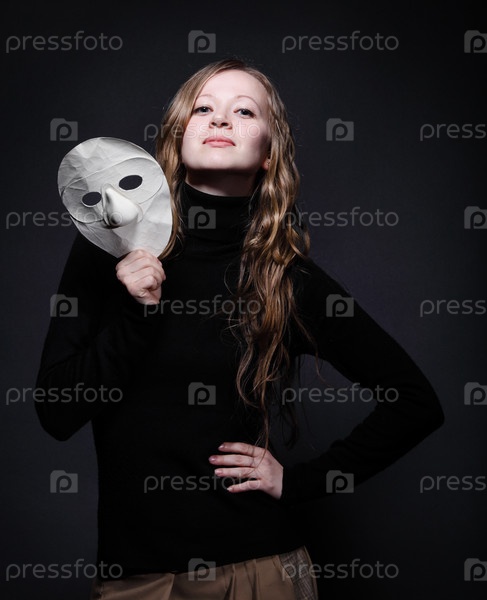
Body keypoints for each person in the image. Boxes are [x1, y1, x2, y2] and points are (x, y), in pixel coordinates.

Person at [35, 58, 445, 600]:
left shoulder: (285, 279)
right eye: (203, 107)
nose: (220, 119)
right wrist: (138, 311)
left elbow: (415, 402)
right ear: (177, 135)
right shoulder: (108, 246)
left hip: (259, 571)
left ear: (270, 152)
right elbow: (56, 412)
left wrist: (300, 482)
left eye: (244, 111)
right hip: (137, 578)